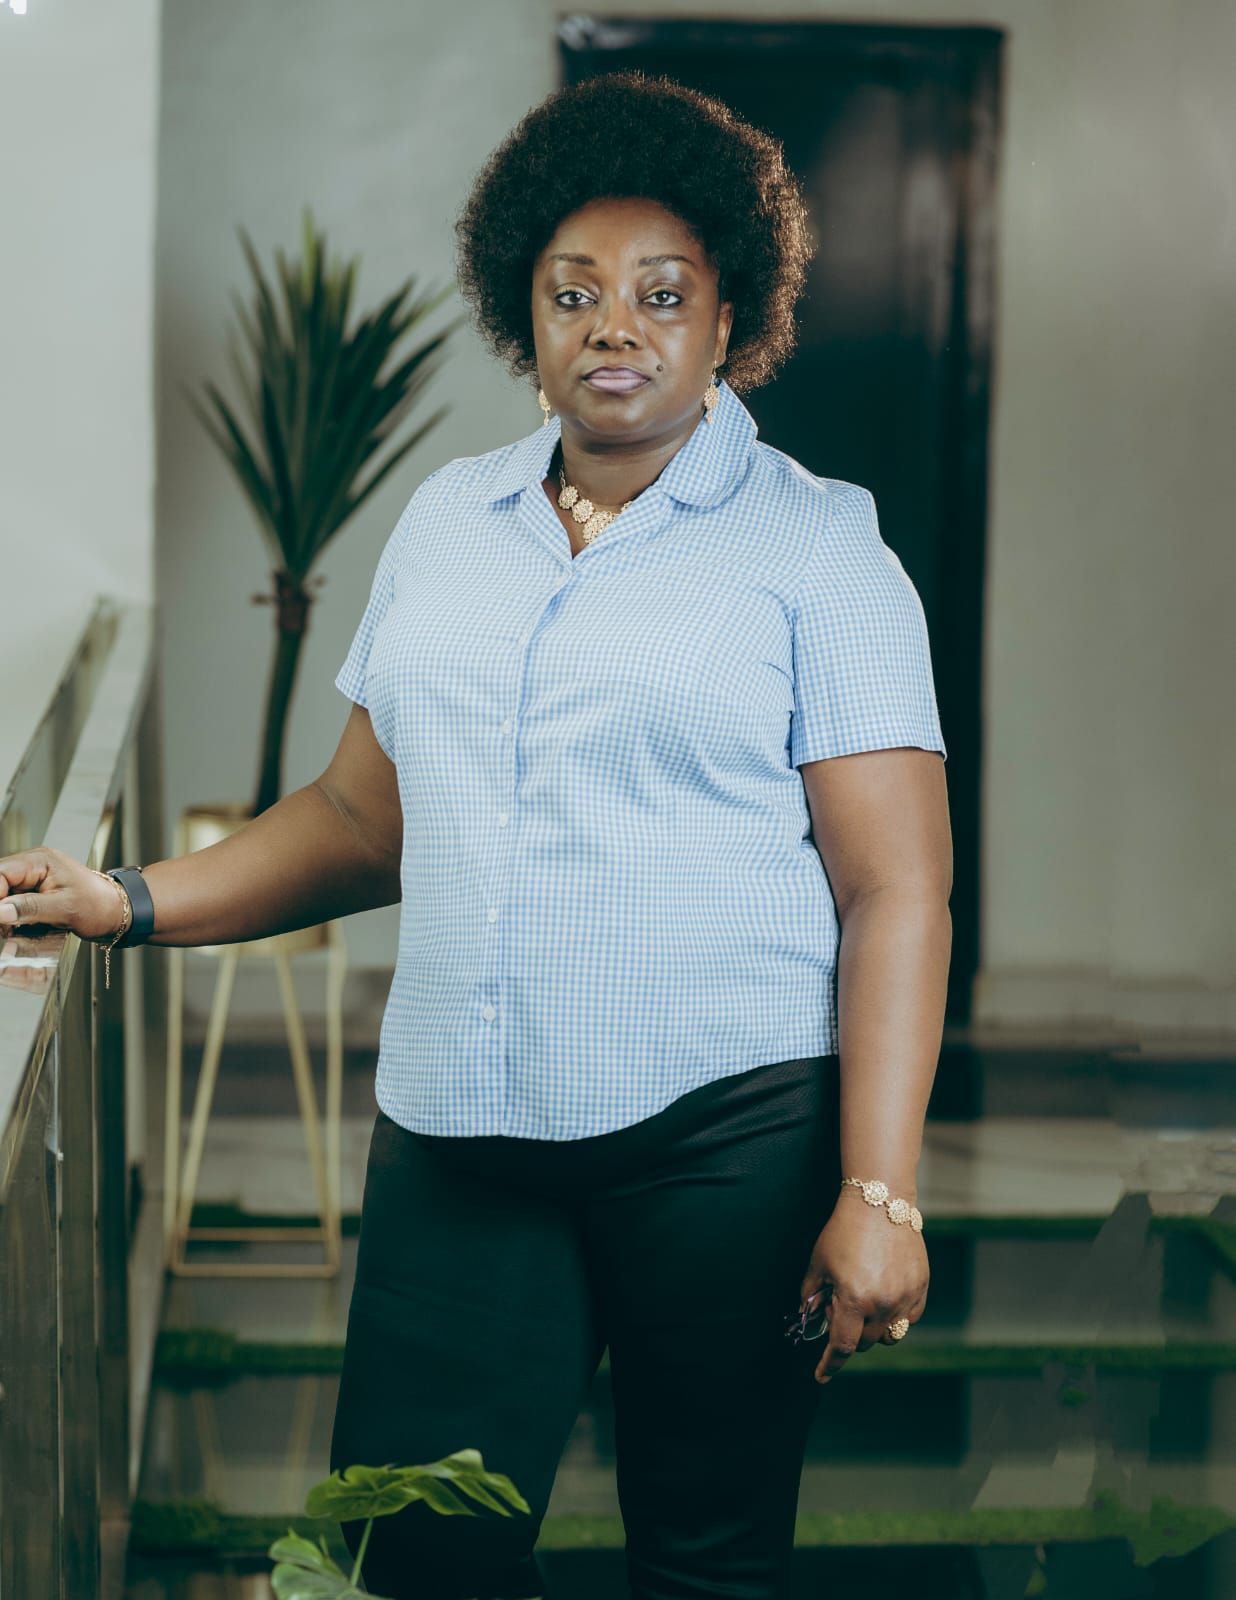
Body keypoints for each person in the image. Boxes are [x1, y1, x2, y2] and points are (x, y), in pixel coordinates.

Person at [0, 71, 951, 1600]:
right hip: (459, 1140)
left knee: (708, 1565)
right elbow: (356, 818)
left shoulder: (819, 548)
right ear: (528, 315)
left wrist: (878, 1188)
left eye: (660, 294)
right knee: (405, 1561)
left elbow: (897, 888)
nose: (613, 327)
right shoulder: (451, 522)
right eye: (572, 293)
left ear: (729, 319)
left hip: (727, 1146)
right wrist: (127, 897)